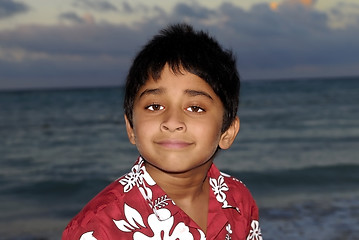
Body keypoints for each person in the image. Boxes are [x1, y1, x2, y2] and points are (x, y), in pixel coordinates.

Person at [62, 23, 262, 240]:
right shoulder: (99, 228)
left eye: (195, 108)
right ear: (131, 127)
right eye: (155, 106)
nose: (172, 121)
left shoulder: (237, 200)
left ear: (228, 132)